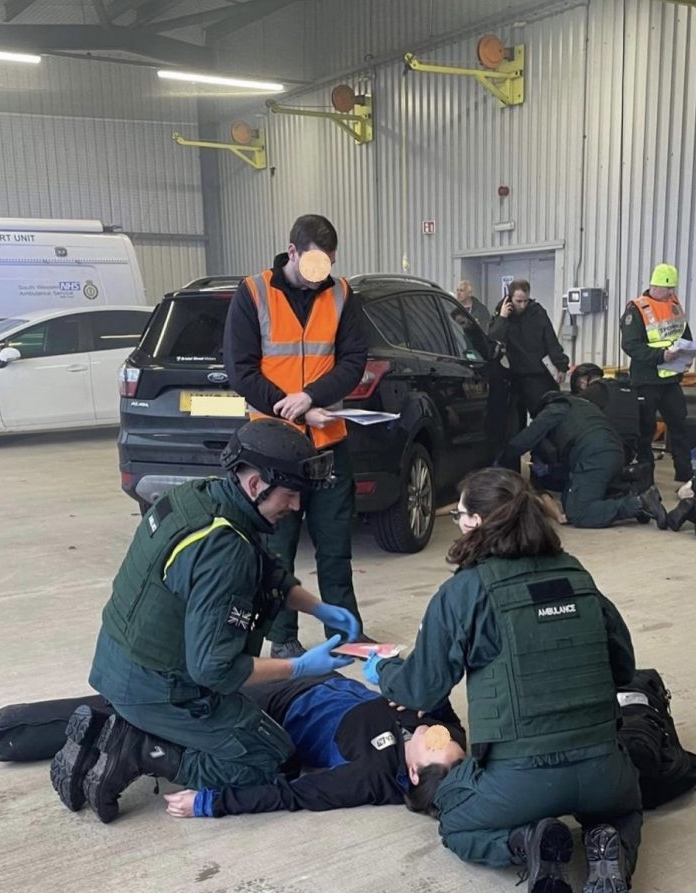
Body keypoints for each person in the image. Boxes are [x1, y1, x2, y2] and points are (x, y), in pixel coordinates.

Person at [363, 468, 643, 893]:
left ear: (474, 523)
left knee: (453, 822)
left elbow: (421, 690)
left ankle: (525, 841)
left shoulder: (465, 591)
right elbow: (623, 666)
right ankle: (611, 846)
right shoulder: (577, 574)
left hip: (519, 783)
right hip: (603, 773)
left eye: (460, 515)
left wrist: (383, 671)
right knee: (627, 810)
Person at [50, 418, 362, 823]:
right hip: (160, 686)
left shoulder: (201, 499)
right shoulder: (224, 552)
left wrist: (317, 607)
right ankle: (142, 748)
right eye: (289, 495)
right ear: (255, 486)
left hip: (122, 662)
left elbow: (266, 572)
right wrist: (300, 667)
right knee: (272, 761)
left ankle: (136, 732)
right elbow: (215, 669)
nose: (296, 506)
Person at [223, 214, 370, 659]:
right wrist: (285, 403)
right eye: (310, 265)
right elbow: (240, 368)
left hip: (327, 440)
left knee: (334, 545)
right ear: (291, 252)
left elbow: (353, 360)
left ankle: (345, 632)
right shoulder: (253, 293)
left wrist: (309, 397)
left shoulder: (343, 295)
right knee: (275, 547)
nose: (318, 276)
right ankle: (281, 635)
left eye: (326, 265)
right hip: (270, 445)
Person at [163, 673, 466, 818]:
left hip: (283, 704)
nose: (438, 734)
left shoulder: (368, 777)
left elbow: (291, 794)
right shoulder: (448, 740)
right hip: (324, 677)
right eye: (447, 738)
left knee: (192, 692)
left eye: (434, 744)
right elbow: (444, 710)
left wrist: (210, 803)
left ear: (414, 772)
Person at [500, 390, 668, 529]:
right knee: (569, 497)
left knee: (578, 513)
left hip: (594, 456)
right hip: (614, 452)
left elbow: (526, 439)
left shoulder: (556, 409)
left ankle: (639, 503)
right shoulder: (584, 408)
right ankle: (626, 491)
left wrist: (500, 460)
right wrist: (550, 470)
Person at [620, 262, 694, 485]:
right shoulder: (637, 309)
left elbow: (684, 335)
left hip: (671, 379)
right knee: (646, 430)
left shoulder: (673, 305)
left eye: (673, 289)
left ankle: (684, 473)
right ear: (655, 285)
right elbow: (630, 345)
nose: (671, 293)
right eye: (667, 289)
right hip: (646, 380)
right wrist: (661, 356)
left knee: (679, 425)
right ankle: (646, 476)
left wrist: (686, 356)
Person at [490, 279, 570, 428]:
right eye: (518, 301)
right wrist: (502, 318)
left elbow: (551, 340)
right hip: (512, 378)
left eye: (525, 301)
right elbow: (492, 341)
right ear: (510, 299)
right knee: (513, 424)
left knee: (544, 420)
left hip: (536, 375)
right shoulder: (501, 315)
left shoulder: (537, 312)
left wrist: (561, 366)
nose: (522, 305)